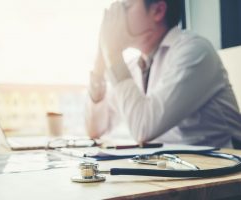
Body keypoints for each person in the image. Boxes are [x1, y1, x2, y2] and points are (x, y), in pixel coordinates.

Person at [85, 0, 241, 148]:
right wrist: (100, 62)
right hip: (173, 169)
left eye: (125, 6)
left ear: (158, 11)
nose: (116, 18)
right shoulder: (135, 67)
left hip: (224, 170)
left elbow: (142, 128)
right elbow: (95, 130)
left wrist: (112, 53)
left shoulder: (193, 51)